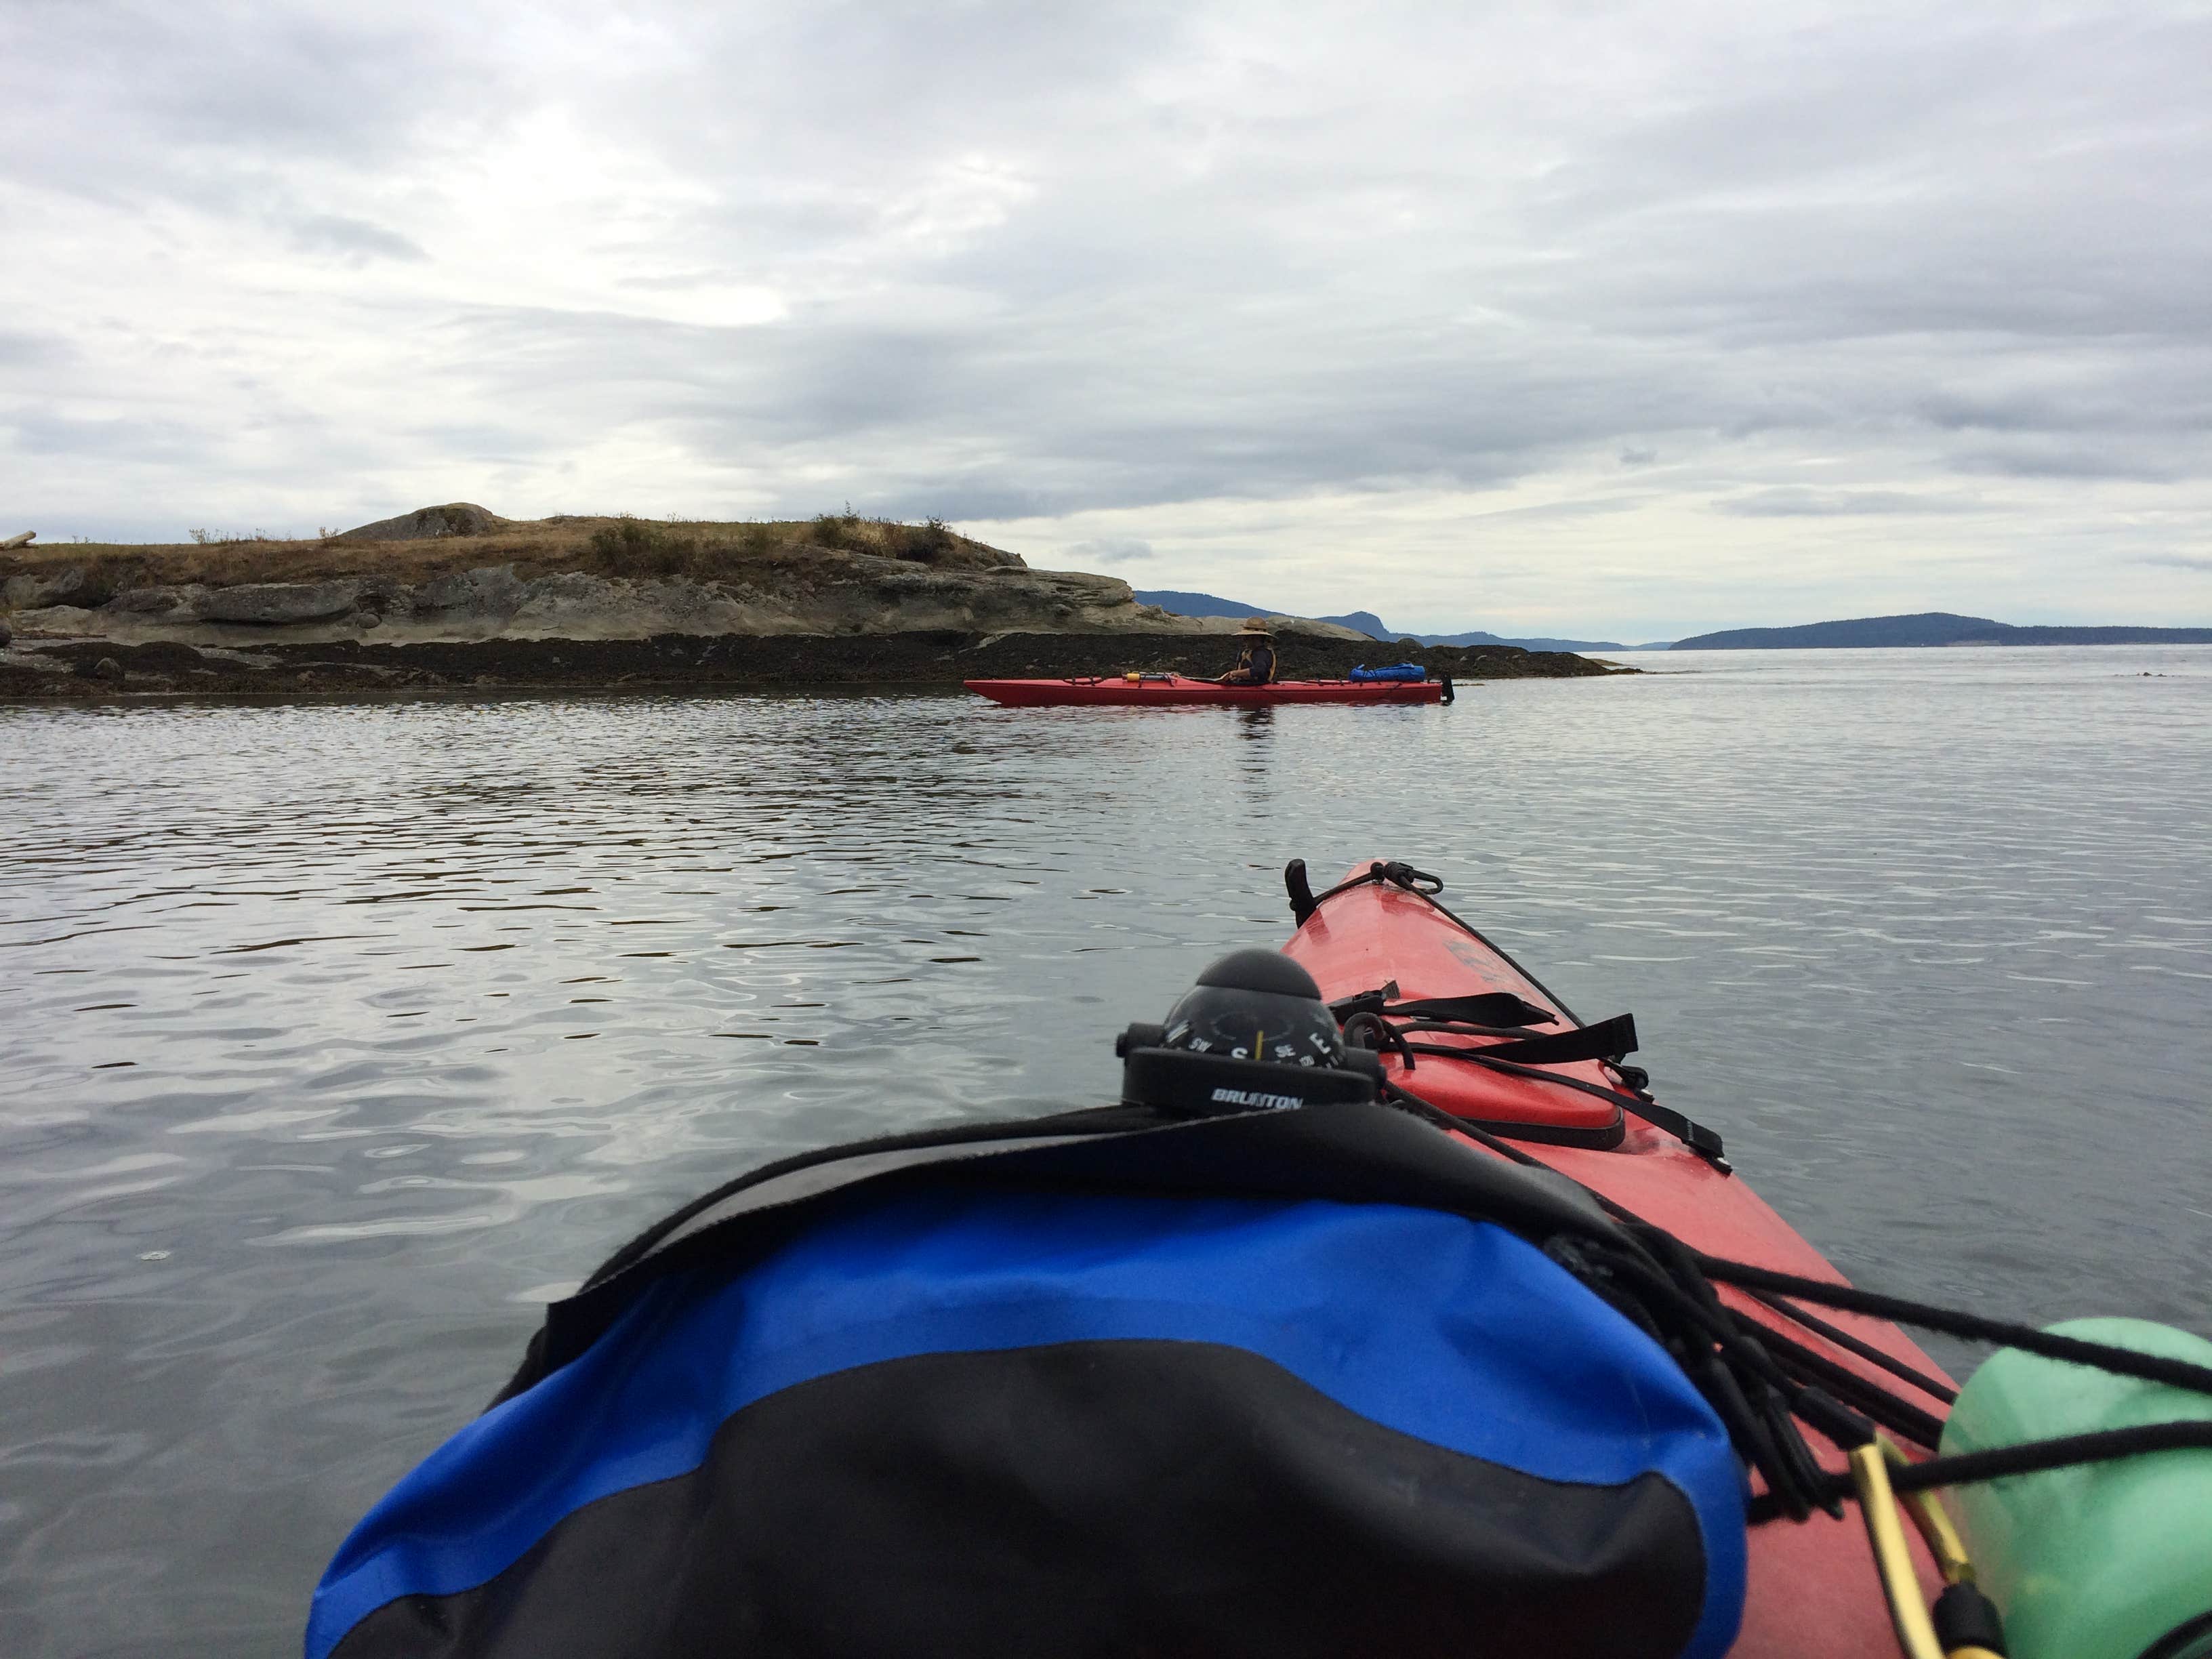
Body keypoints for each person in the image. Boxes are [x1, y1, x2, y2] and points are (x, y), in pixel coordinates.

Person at [1216, 617, 1278, 684]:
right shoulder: (1247, 652)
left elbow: (1259, 670)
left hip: (1257, 687)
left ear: (1255, 638)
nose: (1244, 640)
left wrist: (1234, 673)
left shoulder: (1261, 653)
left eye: (1246, 638)